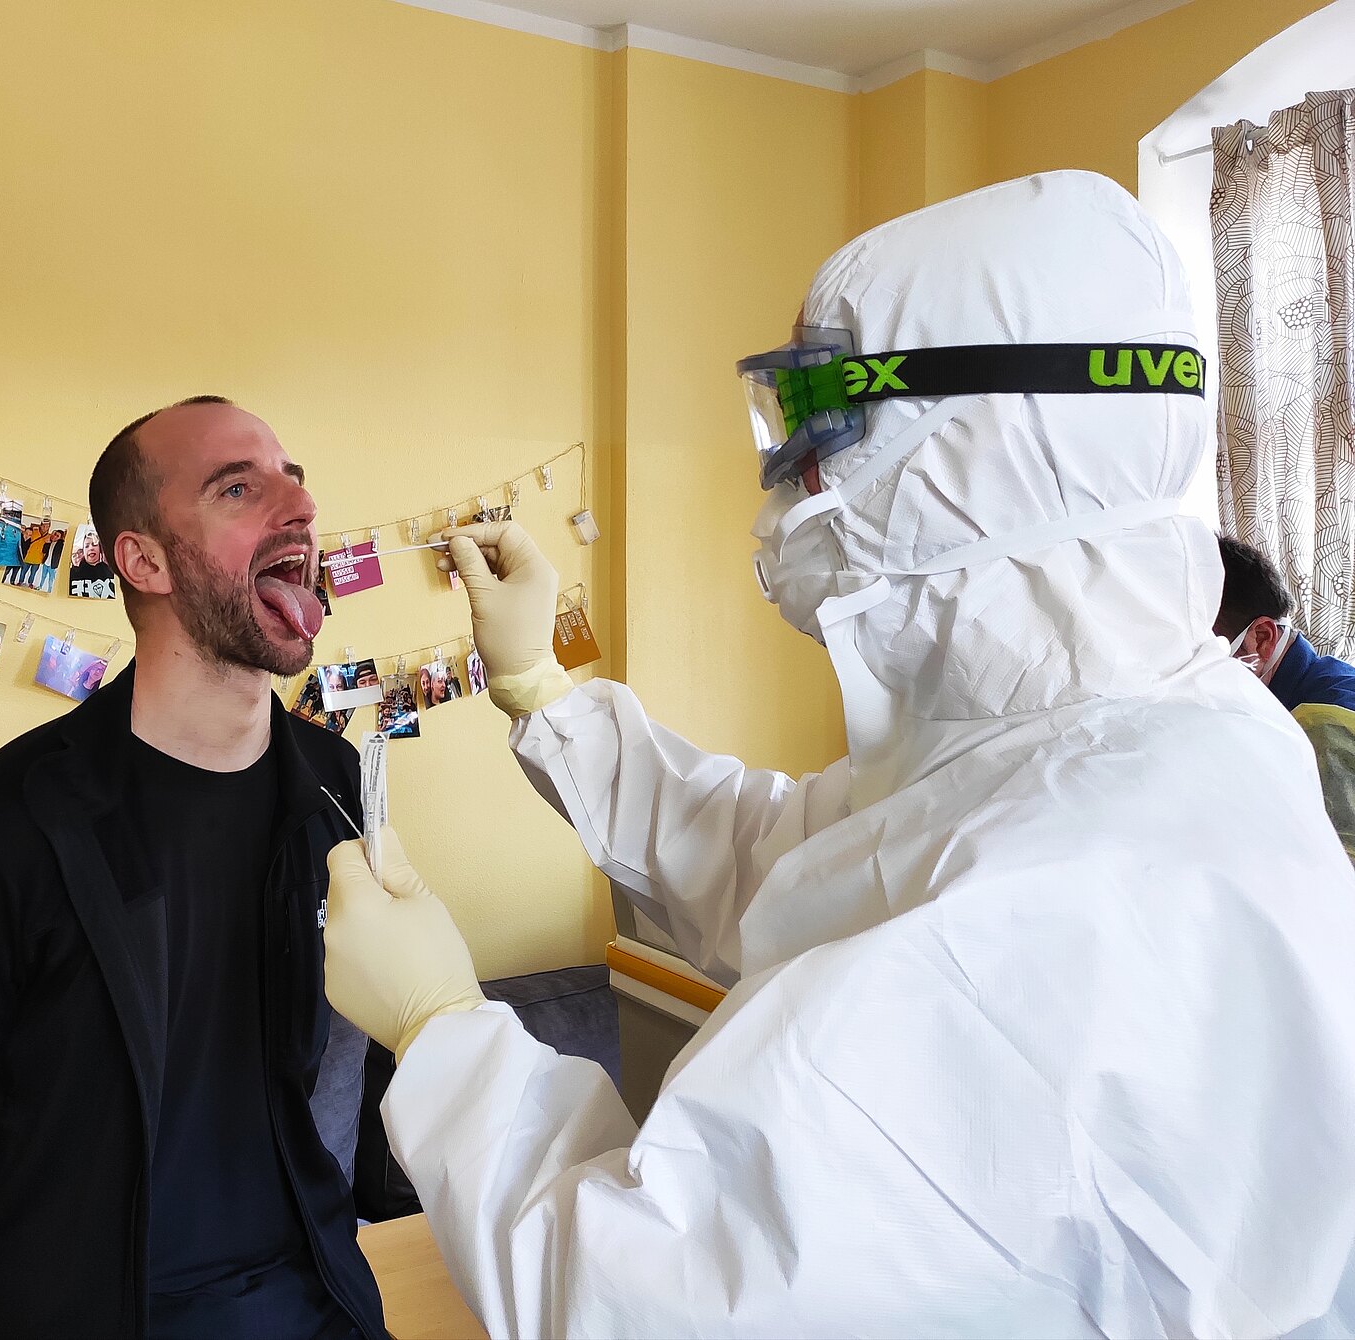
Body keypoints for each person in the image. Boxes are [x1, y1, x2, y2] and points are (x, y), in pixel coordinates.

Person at [321, 172, 1355, 1336]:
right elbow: (787, 863)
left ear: (977, 442)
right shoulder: (1121, 732)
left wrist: (442, 1030)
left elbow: (638, 1292)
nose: (796, 473)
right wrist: (543, 695)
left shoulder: (1064, 890)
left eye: (823, 417)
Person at [0, 395, 409, 1340]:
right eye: (237, 489)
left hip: (317, 1301)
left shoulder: (335, 785)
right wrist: (34, 1289)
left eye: (295, 480)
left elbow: (348, 1057)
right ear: (143, 560)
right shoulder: (8, 822)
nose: (301, 507)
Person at [1216, 535, 1355, 859]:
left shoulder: (1325, 725)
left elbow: (1338, 869)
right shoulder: (1283, 703)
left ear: (1262, 637)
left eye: (1204, 651)